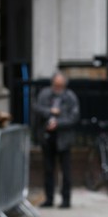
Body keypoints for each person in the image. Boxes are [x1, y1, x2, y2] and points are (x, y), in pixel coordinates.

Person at [34, 71, 80, 208]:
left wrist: (58, 123)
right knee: (48, 169)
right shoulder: (44, 94)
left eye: (61, 85)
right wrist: (49, 111)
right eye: (56, 85)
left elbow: (74, 117)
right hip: (47, 137)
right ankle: (49, 198)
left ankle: (66, 199)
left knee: (66, 170)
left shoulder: (70, 97)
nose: (58, 88)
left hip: (64, 139)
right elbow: (36, 108)